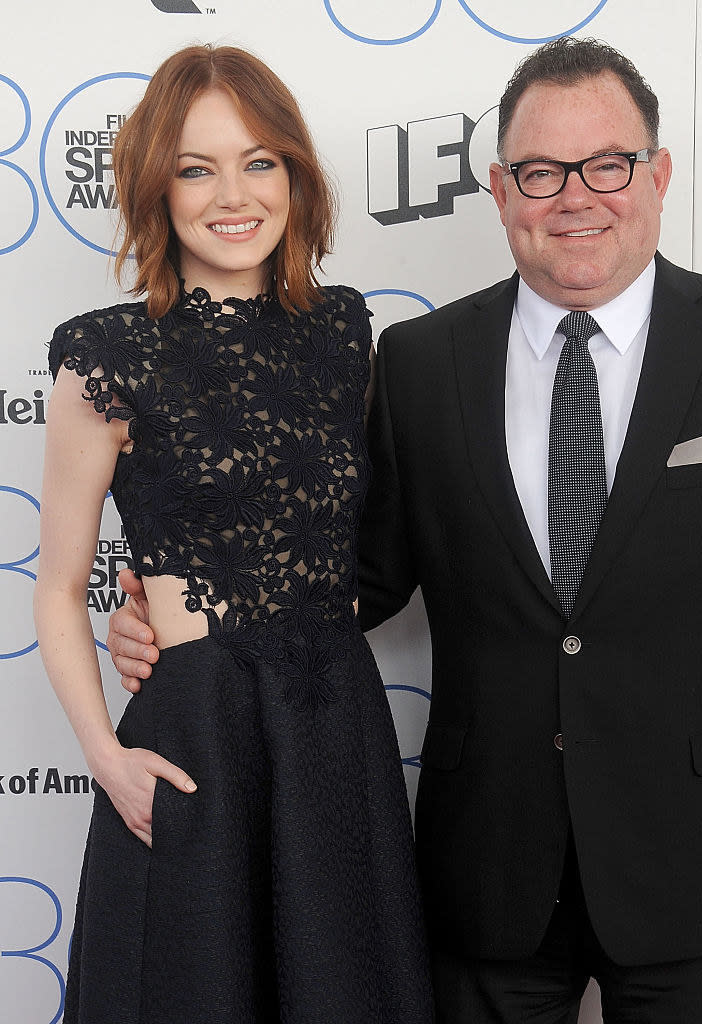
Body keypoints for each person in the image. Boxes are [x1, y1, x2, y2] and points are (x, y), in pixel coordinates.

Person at [108, 37, 702, 1024]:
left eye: (606, 164)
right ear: (498, 190)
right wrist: (184, 623)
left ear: (654, 174)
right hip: (484, 876)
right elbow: (356, 576)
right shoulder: (420, 362)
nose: (575, 196)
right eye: (539, 172)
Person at [34, 44, 431, 1024]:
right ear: (154, 187)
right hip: (194, 731)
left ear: (293, 173)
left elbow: (361, 543)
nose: (232, 194)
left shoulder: (344, 334)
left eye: (258, 161)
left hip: (331, 721)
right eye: (196, 167)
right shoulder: (107, 354)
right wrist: (105, 754)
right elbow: (55, 585)